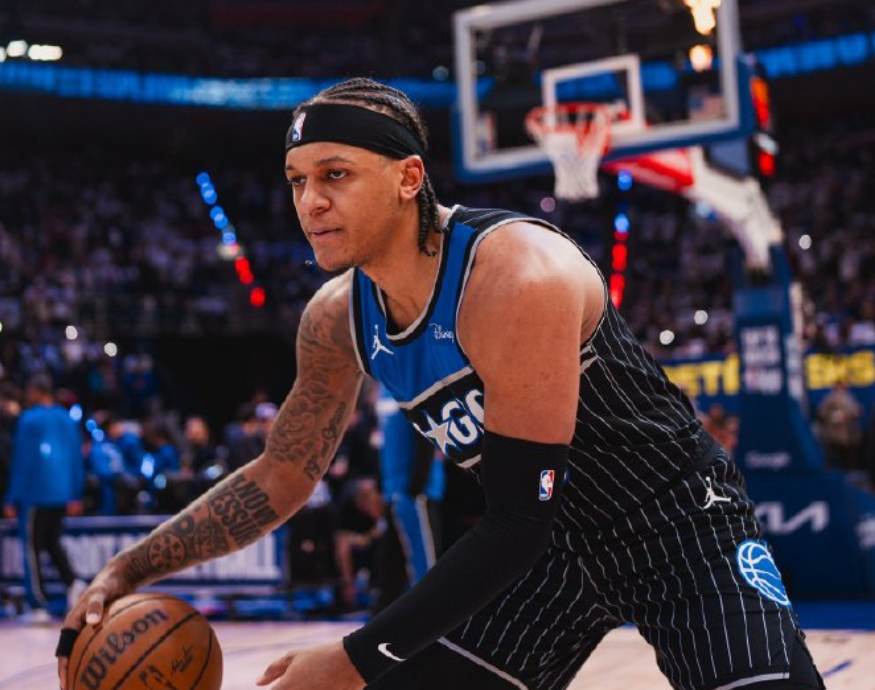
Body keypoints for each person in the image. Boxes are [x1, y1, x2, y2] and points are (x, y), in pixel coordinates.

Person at [60, 78, 824, 690]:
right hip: (544, 557)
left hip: (671, 524)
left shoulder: (515, 276)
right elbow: (281, 475)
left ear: (408, 177)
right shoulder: (335, 318)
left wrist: (356, 657)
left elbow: (517, 520)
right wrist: (128, 568)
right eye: (296, 180)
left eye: (334, 175)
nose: (309, 202)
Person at [4, 373, 86, 622]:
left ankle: (37, 604)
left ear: (36, 391)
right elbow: (76, 458)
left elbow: (23, 460)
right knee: (52, 542)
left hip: (35, 492)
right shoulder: (67, 418)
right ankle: (74, 583)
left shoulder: (29, 419)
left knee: (31, 548)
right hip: (62, 493)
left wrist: (12, 497)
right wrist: (76, 494)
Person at [373, 384, 444, 612]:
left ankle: (432, 620)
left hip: (415, 494)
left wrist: (416, 486)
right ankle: (384, 622)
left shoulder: (412, 382)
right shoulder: (382, 388)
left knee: (425, 567)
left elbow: (426, 434)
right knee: (390, 569)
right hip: (392, 492)